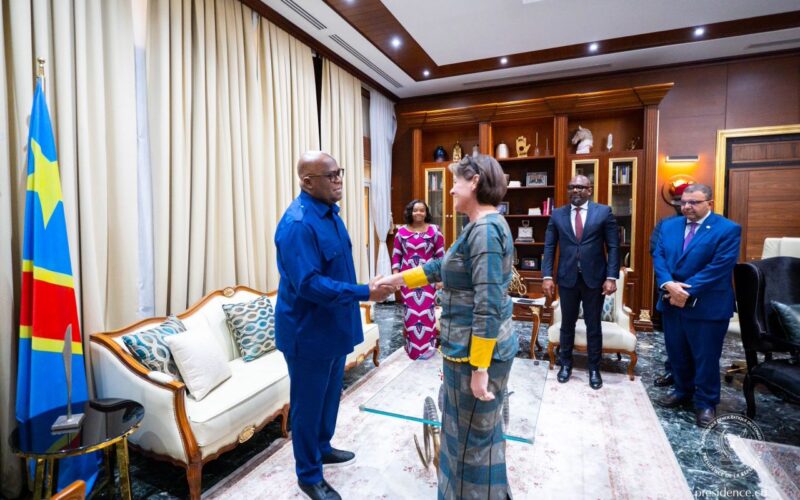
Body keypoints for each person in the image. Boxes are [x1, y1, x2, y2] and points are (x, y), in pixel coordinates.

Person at [377, 155, 517, 499]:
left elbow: (488, 303)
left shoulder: (485, 231)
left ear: (474, 182)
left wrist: (480, 367)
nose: (451, 189)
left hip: (474, 354)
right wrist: (396, 279)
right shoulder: (479, 226)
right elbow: (441, 266)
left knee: (470, 447)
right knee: (471, 438)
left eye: (456, 181)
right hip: (468, 350)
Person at [274, 151, 394, 500]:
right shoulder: (298, 224)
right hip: (307, 333)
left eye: (339, 171)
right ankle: (309, 475)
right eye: (330, 175)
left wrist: (364, 289)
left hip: (334, 326)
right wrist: (364, 292)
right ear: (307, 182)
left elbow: (336, 271)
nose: (339, 178)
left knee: (329, 398)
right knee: (308, 405)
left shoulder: (331, 215)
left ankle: (322, 448)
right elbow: (309, 284)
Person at [652, 184, 741, 428]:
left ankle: (706, 403)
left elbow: (720, 266)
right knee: (677, 352)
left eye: (694, 202)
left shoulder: (727, 229)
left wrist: (684, 291)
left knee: (706, 357)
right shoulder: (669, 226)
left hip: (706, 305)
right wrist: (668, 284)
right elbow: (659, 256)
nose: (687, 207)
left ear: (709, 203)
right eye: (683, 202)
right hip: (672, 302)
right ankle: (682, 391)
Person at [541, 175, 619, 390]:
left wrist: (611, 277)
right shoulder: (557, 214)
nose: (575, 190)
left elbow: (613, 247)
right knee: (567, 324)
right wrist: (547, 276)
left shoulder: (603, 212)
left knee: (594, 325)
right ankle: (566, 364)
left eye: (580, 187)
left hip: (595, 279)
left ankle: (594, 368)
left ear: (589, 190)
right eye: (571, 187)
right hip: (567, 278)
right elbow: (549, 247)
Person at [392, 199, 445, 360]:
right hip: (407, 280)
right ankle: (413, 350)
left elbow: (441, 256)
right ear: (410, 212)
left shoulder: (435, 231)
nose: (419, 213)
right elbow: (396, 256)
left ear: (426, 212)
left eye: (422, 210)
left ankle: (428, 348)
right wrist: (395, 277)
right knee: (410, 313)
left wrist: (440, 279)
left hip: (428, 279)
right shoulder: (401, 232)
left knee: (428, 312)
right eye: (415, 210)